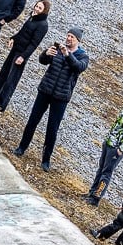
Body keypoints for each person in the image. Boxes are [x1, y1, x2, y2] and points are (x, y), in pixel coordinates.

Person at [11, 28, 89, 172]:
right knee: (33, 120)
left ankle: (46, 160)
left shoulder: (82, 56)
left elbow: (78, 68)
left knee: (52, 129)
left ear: (78, 40)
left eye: (72, 37)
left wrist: (68, 55)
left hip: (61, 97)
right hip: (45, 90)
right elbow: (42, 61)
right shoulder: (57, 48)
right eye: (68, 35)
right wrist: (46, 53)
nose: (69, 38)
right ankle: (22, 147)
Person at [0, 0, 50, 111]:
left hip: (21, 54)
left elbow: (34, 44)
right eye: (36, 6)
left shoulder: (43, 25)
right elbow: (22, 32)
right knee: (4, 73)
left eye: (40, 8)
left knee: (11, 80)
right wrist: (13, 38)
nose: (36, 9)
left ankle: (1, 104)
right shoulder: (32, 17)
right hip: (15, 49)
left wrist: (23, 57)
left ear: (44, 11)